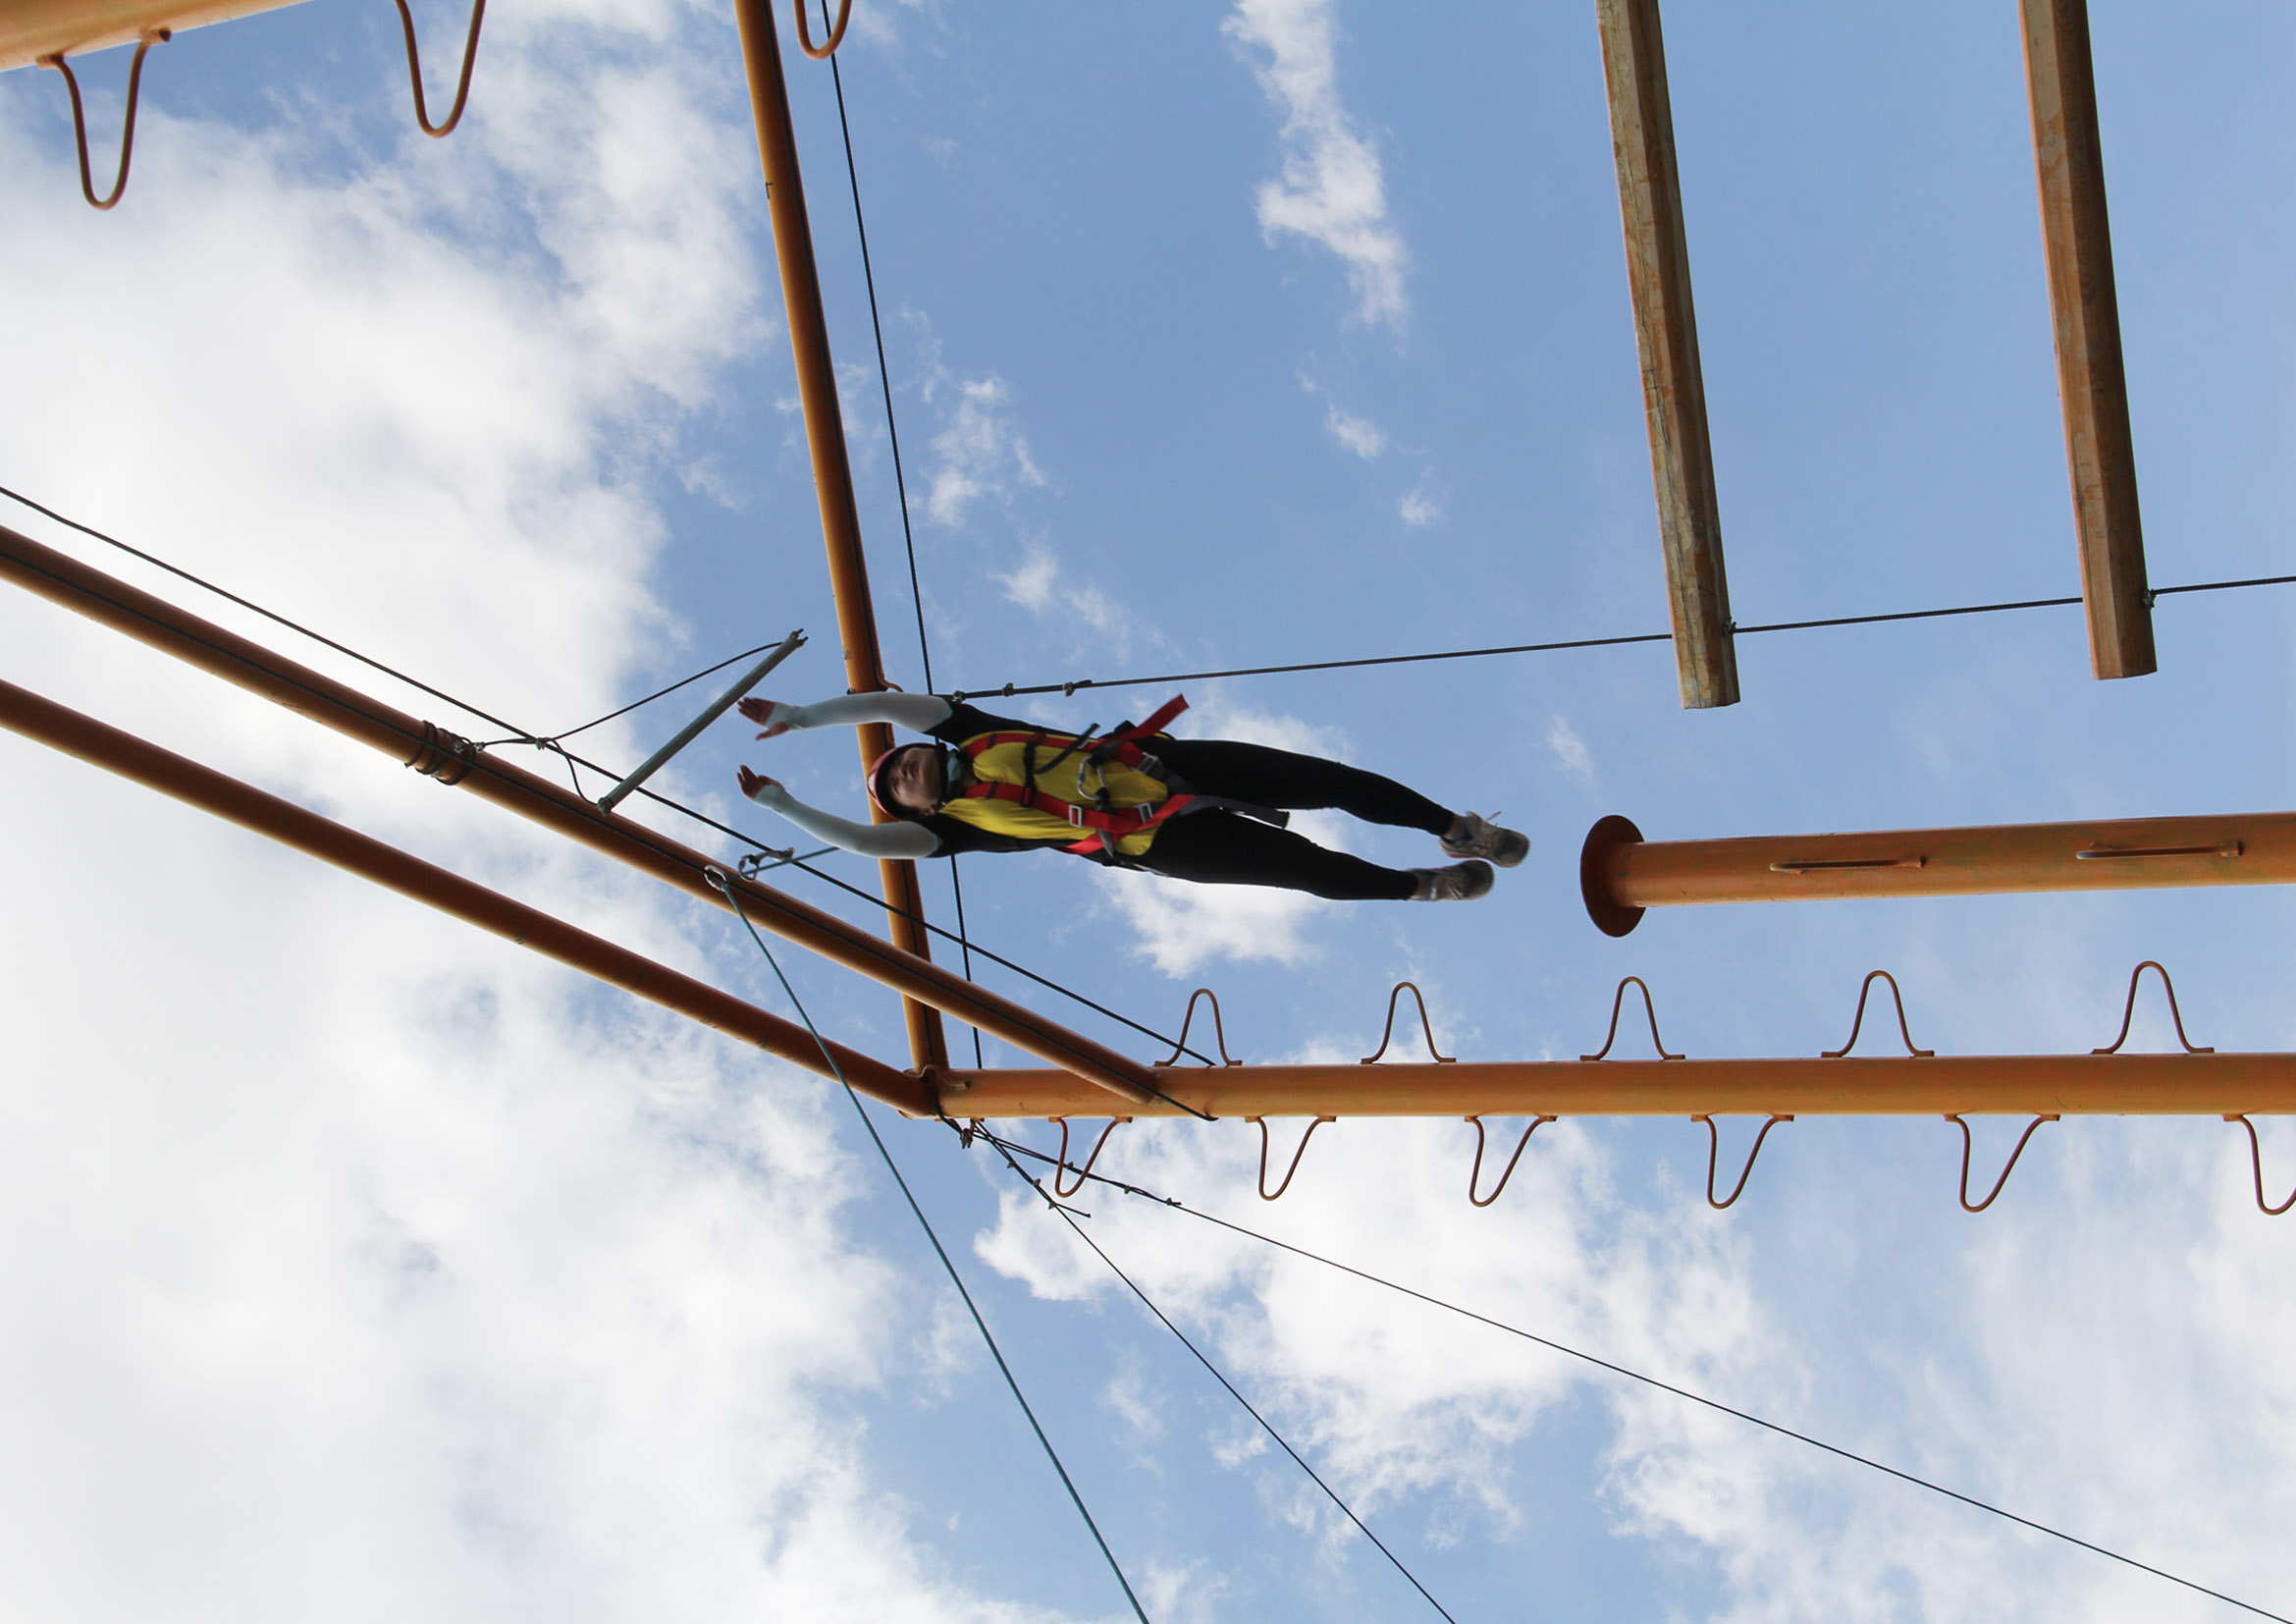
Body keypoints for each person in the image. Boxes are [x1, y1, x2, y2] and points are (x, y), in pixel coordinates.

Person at [732, 691, 1527, 902]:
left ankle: (1455, 828)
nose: (903, 768)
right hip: (1160, 841)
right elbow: (864, 843)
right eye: (895, 787)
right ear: (919, 814)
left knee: (1329, 782)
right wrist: (782, 807)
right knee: (1304, 870)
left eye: (903, 758)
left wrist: (801, 717)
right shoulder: (958, 830)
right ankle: (1417, 886)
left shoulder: (971, 732)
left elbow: (885, 701)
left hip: (1171, 767)